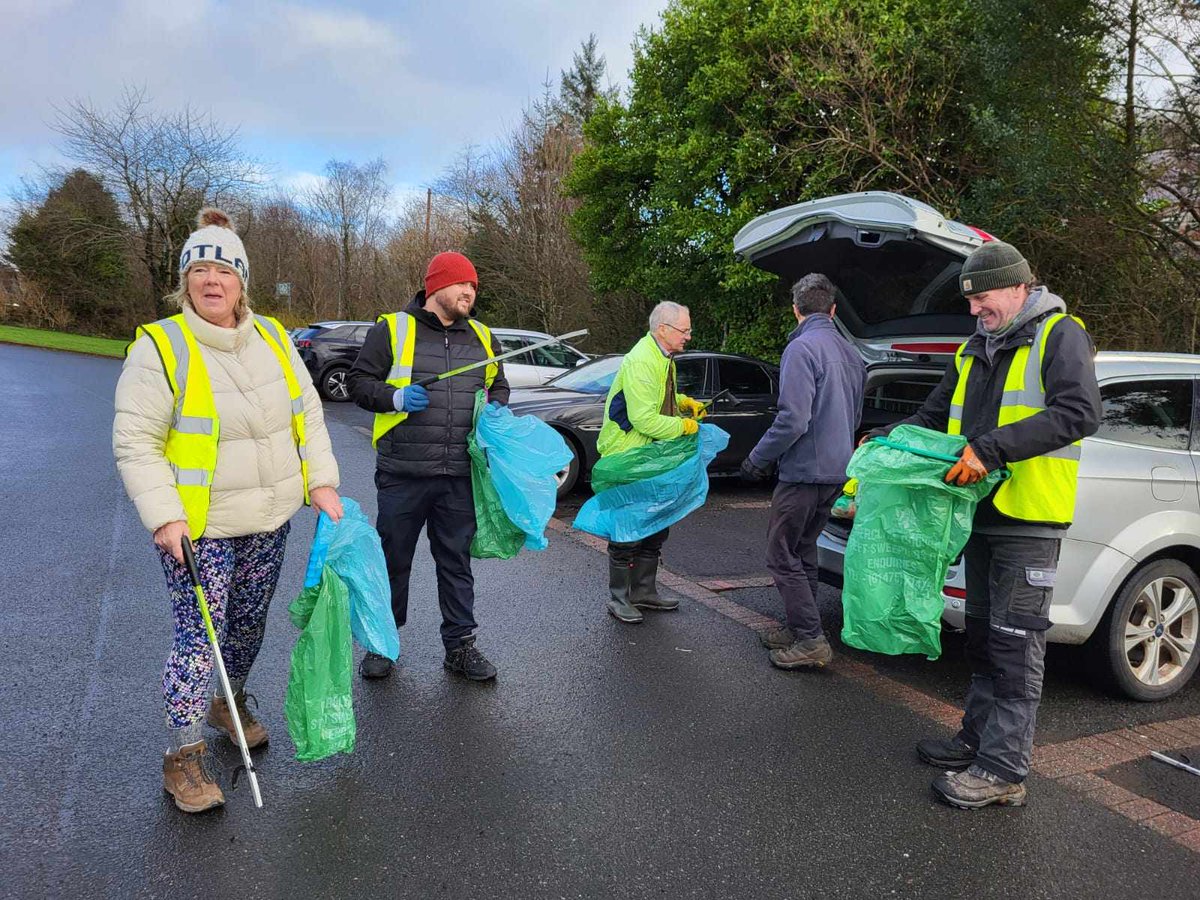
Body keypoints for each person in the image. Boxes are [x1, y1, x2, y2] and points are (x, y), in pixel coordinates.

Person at [114, 209, 343, 814]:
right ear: (185, 280)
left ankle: (230, 699)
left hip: (269, 520)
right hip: (199, 530)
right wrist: (165, 515)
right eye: (199, 269)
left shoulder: (272, 337)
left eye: (223, 269)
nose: (211, 280)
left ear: (242, 280)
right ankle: (183, 755)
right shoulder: (160, 346)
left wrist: (321, 481)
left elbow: (309, 414)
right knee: (200, 638)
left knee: (248, 626)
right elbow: (135, 441)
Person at [871, 240, 1100, 809]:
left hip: (1029, 518)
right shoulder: (973, 349)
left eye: (984, 298)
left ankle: (1003, 770)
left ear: (1020, 287)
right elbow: (933, 414)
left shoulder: (1059, 334)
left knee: (1016, 644)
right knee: (980, 636)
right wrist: (888, 443)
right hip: (977, 515)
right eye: (971, 301)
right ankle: (975, 740)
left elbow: (1079, 413)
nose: (976, 309)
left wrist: (991, 450)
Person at [348, 252, 510, 682]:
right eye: (463, 285)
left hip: (459, 474)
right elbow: (359, 383)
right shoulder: (393, 329)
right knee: (392, 559)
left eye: (474, 287)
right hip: (403, 471)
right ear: (437, 285)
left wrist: (495, 410)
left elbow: (499, 384)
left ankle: (460, 647)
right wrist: (395, 398)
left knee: (455, 561)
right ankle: (382, 643)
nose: (470, 293)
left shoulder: (481, 335)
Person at [740, 274, 865, 670]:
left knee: (781, 554)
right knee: (804, 550)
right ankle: (801, 627)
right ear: (832, 310)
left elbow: (793, 419)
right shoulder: (852, 355)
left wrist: (756, 459)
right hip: (836, 473)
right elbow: (855, 417)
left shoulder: (801, 349)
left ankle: (810, 640)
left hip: (803, 473)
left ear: (796, 310)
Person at [596, 301, 708, 623]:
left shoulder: (664, 357)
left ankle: (644, 590)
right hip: (629, 456)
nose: (688, 335)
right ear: (663, 329)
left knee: (657, 524)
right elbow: (644, 419)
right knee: (629, 526)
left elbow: (658, 399)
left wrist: (683, 403)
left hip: (652, 455)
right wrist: (685, 426)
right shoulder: (642, 360)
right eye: (684, 330)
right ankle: (619, 598)